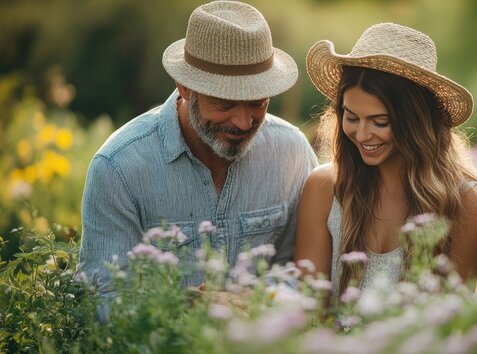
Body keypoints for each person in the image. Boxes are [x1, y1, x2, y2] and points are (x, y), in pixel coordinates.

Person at [77, 1, 318, 299]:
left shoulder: (291, 152)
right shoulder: (119, 167)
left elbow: (305, 271)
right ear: (185, 88)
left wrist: (255, 301)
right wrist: (182, 311)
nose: (244, 122)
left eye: (258, 102)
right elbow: (103, 296)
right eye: (225, 103)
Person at [295, 23, 477, 297]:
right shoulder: (323, 188)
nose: (362, 134)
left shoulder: (468, 204)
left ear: (416, 122)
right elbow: (310, 311)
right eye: (351, 117)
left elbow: (450, 327)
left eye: (380, 121)